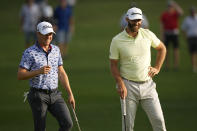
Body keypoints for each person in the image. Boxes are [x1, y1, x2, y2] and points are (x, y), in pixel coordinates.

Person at [109, 7, 167, 131]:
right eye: (134, 20)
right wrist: (120, 83)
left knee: (159, 122)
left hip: (148, 86)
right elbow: (113, 64)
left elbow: (162, 49)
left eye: (139, 20)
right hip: (128, 86)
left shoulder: (148, 34)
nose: (136, 23)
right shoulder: (117, 40)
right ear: (127, 19)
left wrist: (157, 67)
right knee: (128, 127)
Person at [17, 21, 75, 131]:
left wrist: (70, 94)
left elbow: (61, 72)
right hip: (38, 95)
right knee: (40, 128)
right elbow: (20, 75)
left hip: (55, 94)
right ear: (38, 34)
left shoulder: (56, 50)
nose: (49, 36)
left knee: (67, 124)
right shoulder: (29, 53)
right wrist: (38, 71)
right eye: (46, 34)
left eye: (51, 34)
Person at [160, 0, 183, 70]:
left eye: (171, 6)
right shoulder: (164, 14)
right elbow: (162, 25)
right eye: (169, 6)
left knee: (176, 50)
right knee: (166, 50)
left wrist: (175, 5)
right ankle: (167, 66)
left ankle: (176, 66)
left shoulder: (175, 13)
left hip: (174, 33)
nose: (170, 7)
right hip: (167, 33)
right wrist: (162, 35)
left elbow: (181, 13)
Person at [181, 7, 197, 73]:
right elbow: (183, 29)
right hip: (191, 38)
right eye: (192, 11)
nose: (193, 12)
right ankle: (194, 67)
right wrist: (186, 37)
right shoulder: (187, 19)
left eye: (193, 11)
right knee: (193, 53)